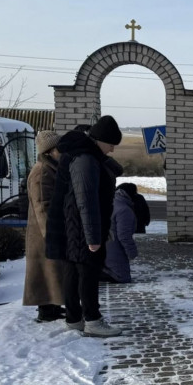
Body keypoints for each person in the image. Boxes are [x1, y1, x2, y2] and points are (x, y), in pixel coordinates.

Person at [45, 115, 125, 337]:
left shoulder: (81, 154)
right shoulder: (86, 159)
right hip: (80, 227)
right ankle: (92, 320)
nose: (112, 149)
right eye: (111, 144)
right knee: (88, 273)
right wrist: (93, 237)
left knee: (73, 271)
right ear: (101, 140)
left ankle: (74, 319)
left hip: (72, 225)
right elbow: (86, 200)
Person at [23, 130, 65, 322]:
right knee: (46, 272)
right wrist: (51, 235)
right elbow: (43, 205)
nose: (62, 151)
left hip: (46, 232)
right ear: (50, 151)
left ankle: (52, 307)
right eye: (59, 148)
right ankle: (46, 310)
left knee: (51, 272)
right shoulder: (42, 171)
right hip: (43, 234)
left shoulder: (50, 168)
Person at [102, 182, 139, 283]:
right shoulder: (124, 210)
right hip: (114, 247)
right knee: (121, 277)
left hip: (105, 245)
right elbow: (124, 235)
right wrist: (132, 252)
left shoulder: (110, 203)